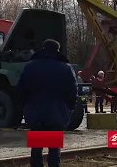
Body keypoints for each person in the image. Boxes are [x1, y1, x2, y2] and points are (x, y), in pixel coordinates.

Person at [17, 39, 78, 167]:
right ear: (57, 50)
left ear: (43, 48)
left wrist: (26, 107)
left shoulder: (30, 66)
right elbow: (73, 92)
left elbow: (21, 89)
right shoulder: (66, 68)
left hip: (35, 113)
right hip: (57, 113)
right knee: (54, 149)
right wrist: (68, 109)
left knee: (37, 148)